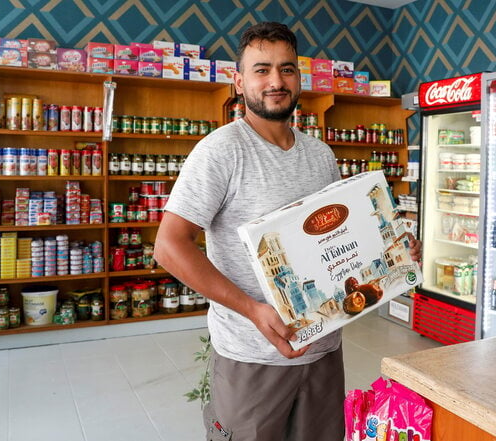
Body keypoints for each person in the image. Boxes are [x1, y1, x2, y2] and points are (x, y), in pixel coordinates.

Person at [154, 21, 421, 440]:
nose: (276, 81)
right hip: (252, 357)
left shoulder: (320, 154)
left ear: (299, 77)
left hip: (323, 350)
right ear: (239, 82)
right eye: (261, 70)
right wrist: (253, 310)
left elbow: (337, 240)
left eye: (287, 69)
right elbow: (169, 246)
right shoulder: (221, 151)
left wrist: (391, 253)